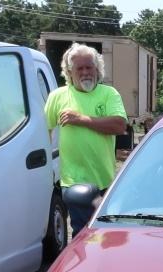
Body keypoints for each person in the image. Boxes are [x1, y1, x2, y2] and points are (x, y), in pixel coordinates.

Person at [45, 43, 128, 231]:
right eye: (79, 68)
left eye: (89, 67)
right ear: (69, 71)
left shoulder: (109, 94)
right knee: (84, 231)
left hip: (105, 181)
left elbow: (119, 125)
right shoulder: (57, 97)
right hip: (73, 182)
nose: (85, 72)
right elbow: (44, 131)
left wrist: (81, 119)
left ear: (97, 69)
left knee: (105, 234)